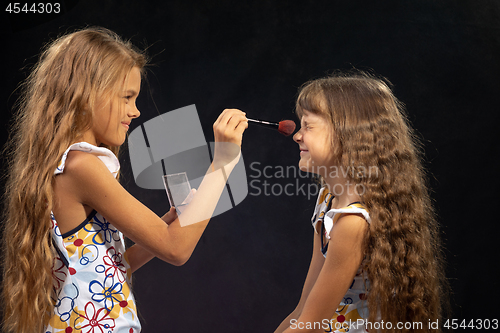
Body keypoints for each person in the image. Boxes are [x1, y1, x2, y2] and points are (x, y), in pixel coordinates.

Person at [0, 27, 248, 333]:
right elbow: (176, 249)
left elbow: (106, 267)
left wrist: (163, 226)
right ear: (87, 94)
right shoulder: (82, 167)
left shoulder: (69, 165)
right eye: (126, 97)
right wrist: (223, 162)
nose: (135, 110)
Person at [275, 72, 448, 333]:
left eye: (308, 126)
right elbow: (302, 311)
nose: (297, 136)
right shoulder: (327, 200)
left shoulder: (352, 222)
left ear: (349, 135)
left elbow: (310, 326)